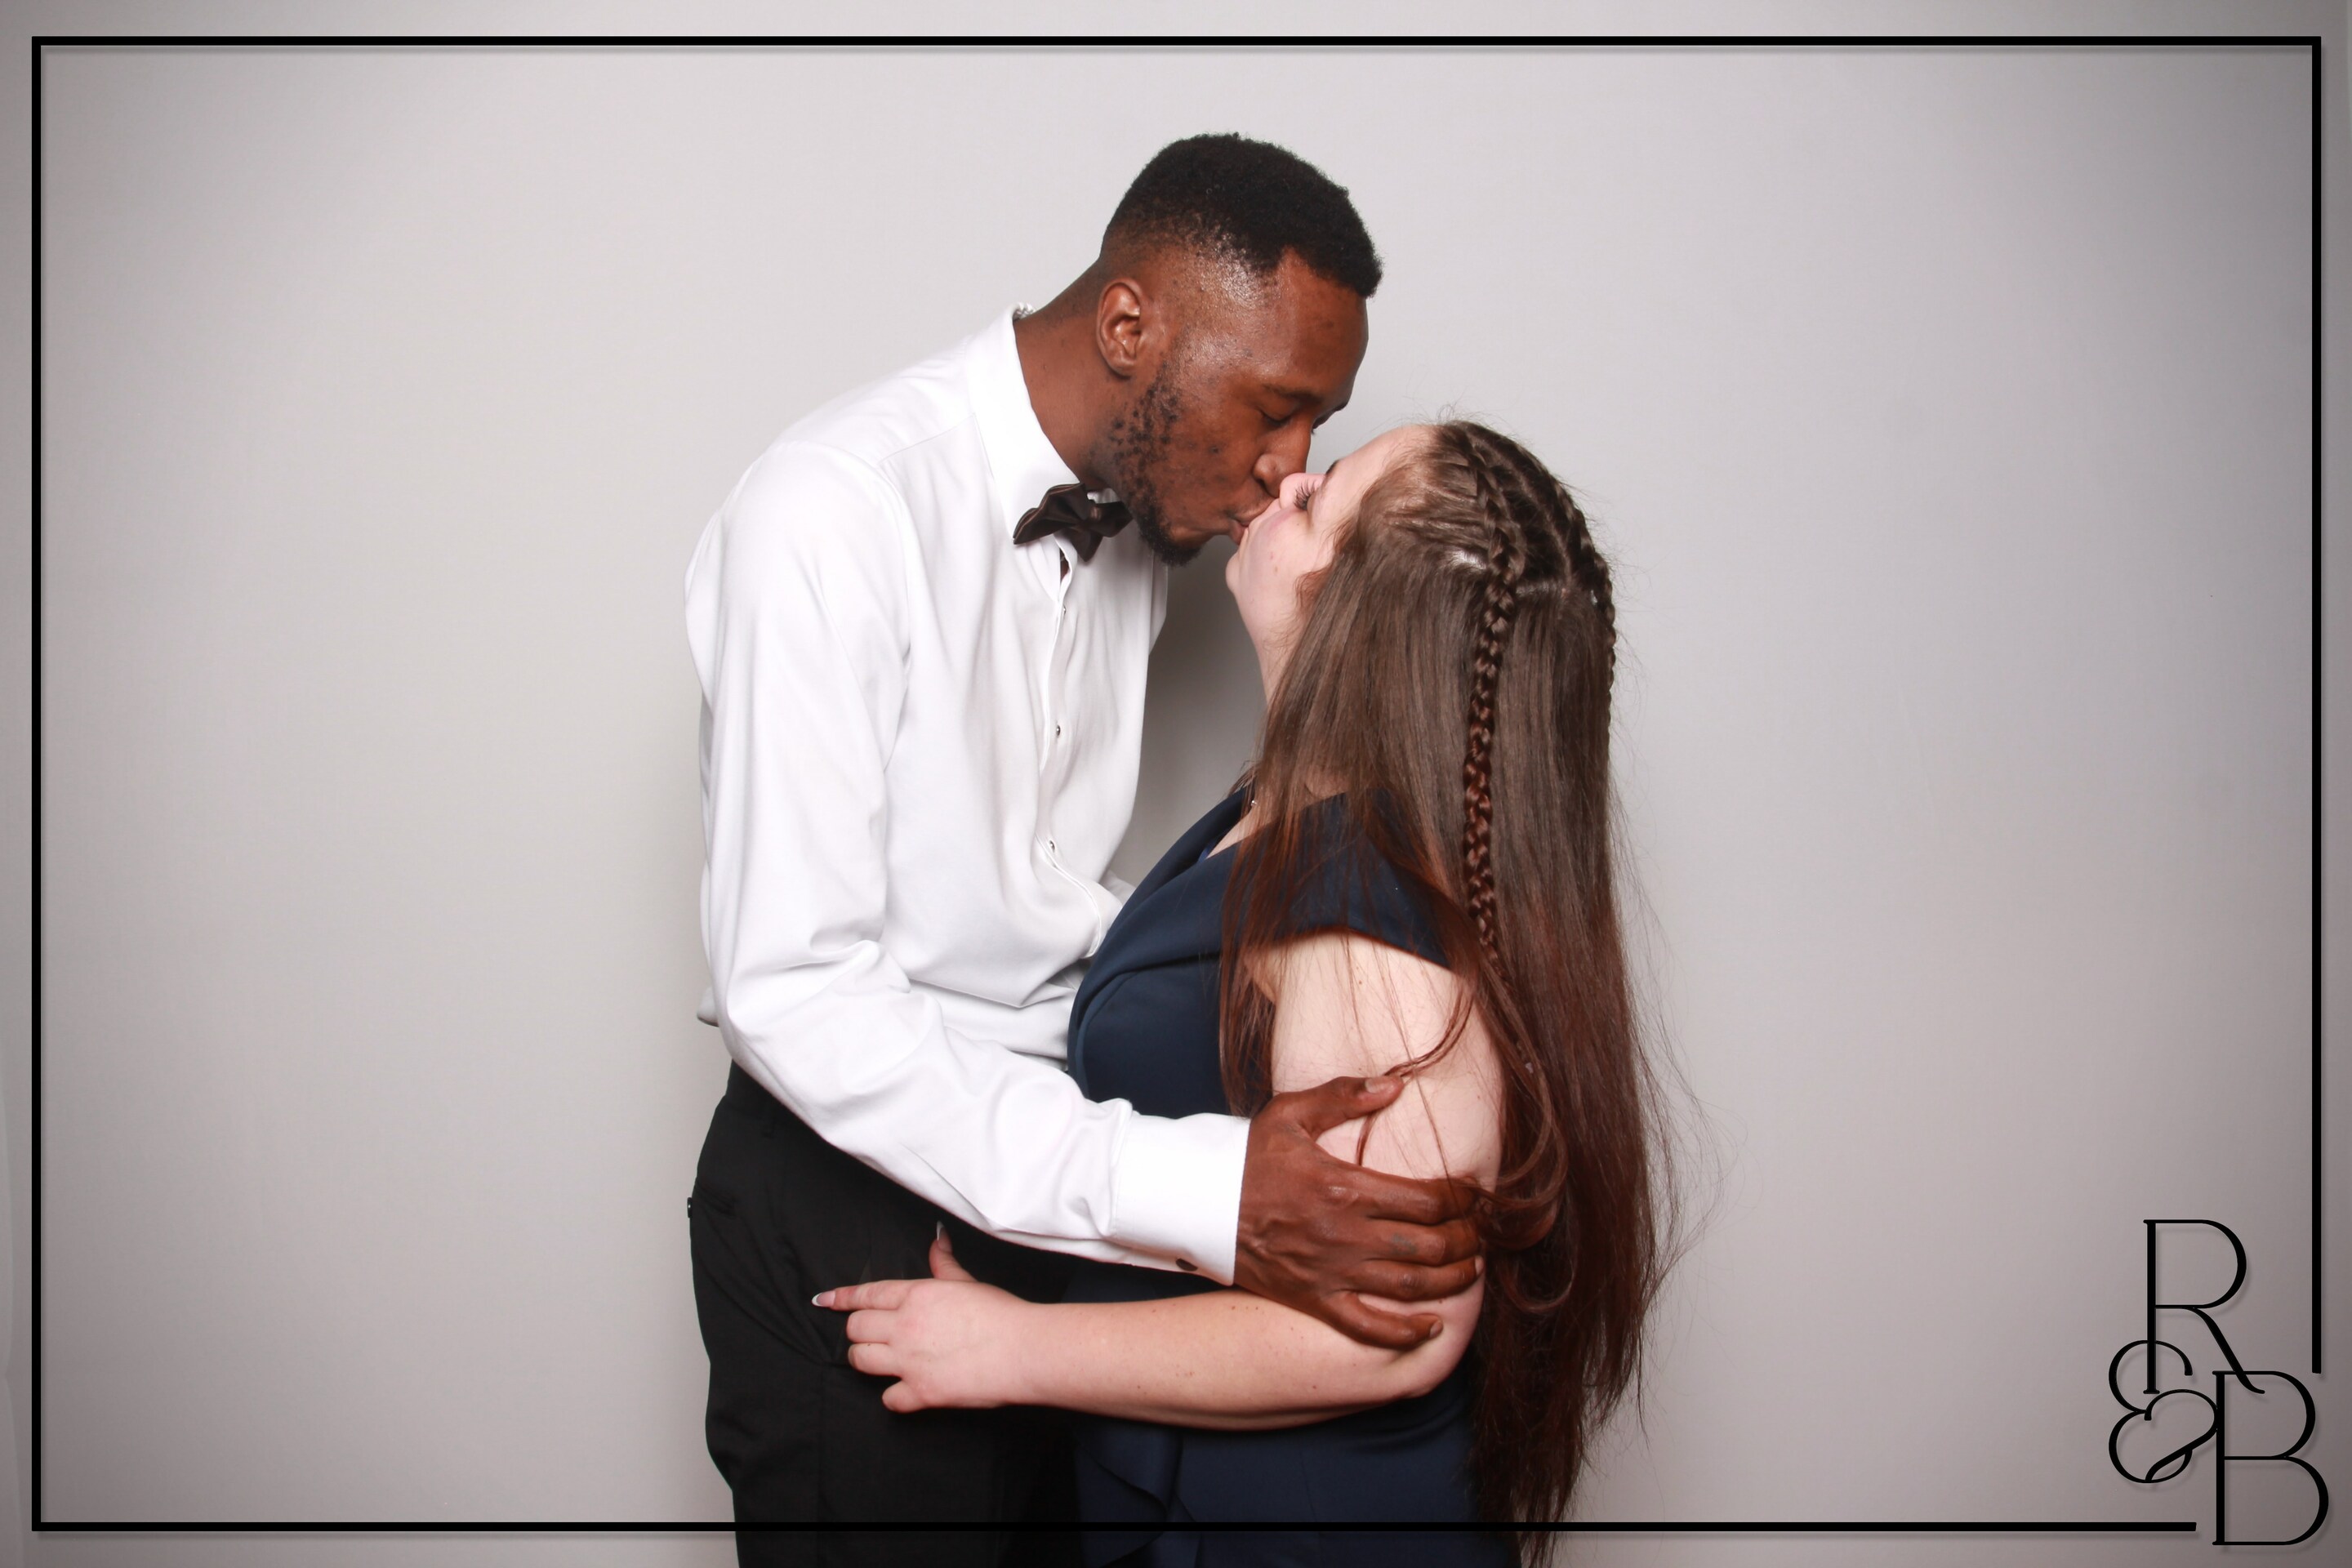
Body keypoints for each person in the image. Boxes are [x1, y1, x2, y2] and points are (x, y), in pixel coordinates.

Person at [683, 136, 1485, 1564]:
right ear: (1130, 327)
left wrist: (1224, 1061)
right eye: (1277, 408)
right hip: (852, 1186)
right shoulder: (832, 513)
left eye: (1322, 424)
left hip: (1062, 1188)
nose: (1290, 470)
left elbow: (1026, 894)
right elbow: (795, 991)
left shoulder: (1143, 519)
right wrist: (1202, 1190)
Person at [817, 421, 1672, 1565]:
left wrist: (1008, 1348)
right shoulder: (1289, 820)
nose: (1289, 480)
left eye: (1320, 501)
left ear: (1360, 612)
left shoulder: (1367, 920)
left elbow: (1389, 1333)